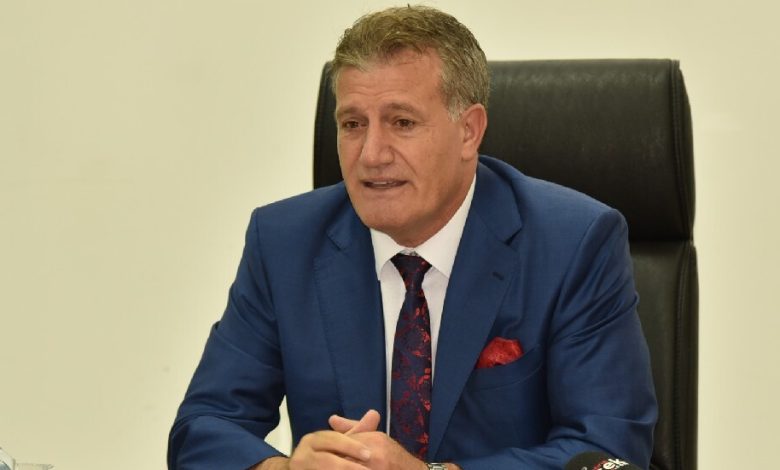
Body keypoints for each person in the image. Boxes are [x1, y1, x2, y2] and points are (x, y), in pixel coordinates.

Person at [168, 5, 657, 470]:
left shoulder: (573, 244)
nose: (371, 154)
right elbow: (204, 427)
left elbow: (607, 450)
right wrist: (285, 467)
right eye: (352, 124)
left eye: (401, 123)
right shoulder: (285, 242)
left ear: (469, 131)